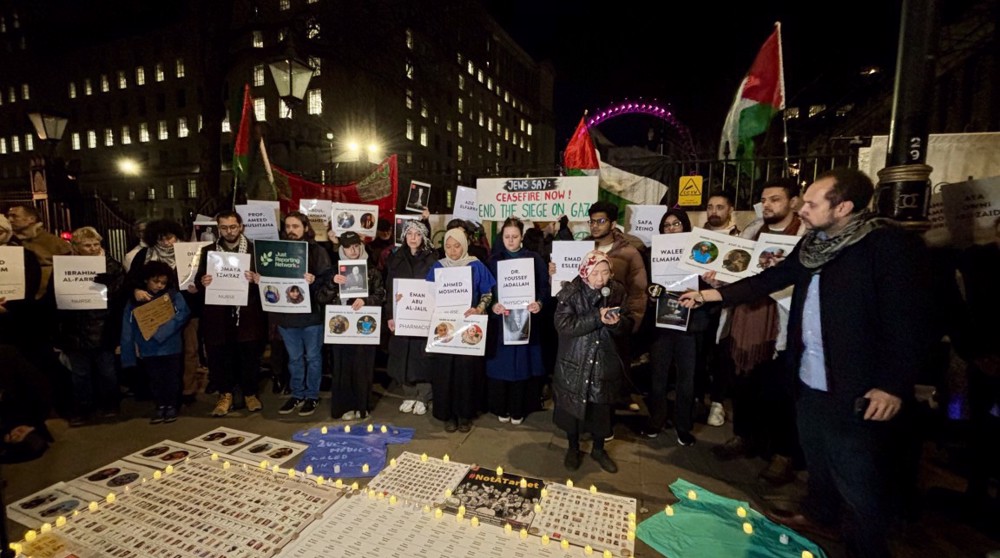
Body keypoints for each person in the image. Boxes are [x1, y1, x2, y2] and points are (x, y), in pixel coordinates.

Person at [679, 168, 934, 557]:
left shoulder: (885, 246)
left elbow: (909, 322)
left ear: (844, 207)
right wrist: (708, 298)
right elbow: (770, 278)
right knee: (817, 457)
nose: (804, 207)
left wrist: (893, 384)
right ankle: (821, 516)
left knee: (858, 475)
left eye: (813, 203)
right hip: (809, 375)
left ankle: (868, 547)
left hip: (858, 384)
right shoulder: (814, 243)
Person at [711, 177, 807, 486]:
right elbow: (733, 276)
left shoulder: (804, 238)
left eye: (775, 199)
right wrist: (717, 281)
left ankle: (782, 454)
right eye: (764, 200)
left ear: (793, 202)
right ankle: (744, 436)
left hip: (780, 324)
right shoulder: (752, 234)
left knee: (780, 391)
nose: (767, 205)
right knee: (744, 383)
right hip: (745, 319)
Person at [553, 250, 632, 474]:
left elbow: (628, 323)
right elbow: (564, 324)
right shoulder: (570, 292)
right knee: (572, 409)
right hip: (575, 359)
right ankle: (573, 447)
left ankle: (599, 449)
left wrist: (617, 323)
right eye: (595, 273)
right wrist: (597, 318)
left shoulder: (617, 291)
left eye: (605, 272)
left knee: (601, 408)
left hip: (603, 360)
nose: (600, 278)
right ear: (585, 272)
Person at [642, 209, 709, 447]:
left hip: (689, 324)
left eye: (676, 224)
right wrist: (650, 295)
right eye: (667, 225)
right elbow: (645, 286)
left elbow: (707, 285)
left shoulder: (697, 253)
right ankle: (656, 420)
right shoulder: (650, 254)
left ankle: (683, 426)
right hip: (662, 323)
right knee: (657, 377)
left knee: (686, 379)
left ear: (685, 227)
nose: (671, 228)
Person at [125, 218, 204, 405]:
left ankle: (188, 389)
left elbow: (203, 277)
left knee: (189, 350)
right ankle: (163, 391)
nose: (167, 243)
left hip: (187, 310)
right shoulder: (144, 255)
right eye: (161, 239)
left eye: (170, 238)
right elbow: (131, 280)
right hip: (155, 311)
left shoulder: (190, 254)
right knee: (160, 352)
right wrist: (136, 290)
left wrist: (198, 288)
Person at [195, 210, 267, 417]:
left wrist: (257, 279)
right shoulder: (209, 252)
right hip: (219, 314)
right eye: (224, 228)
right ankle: (224, 394)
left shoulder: (254, 250)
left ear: (241, 226)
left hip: (248, 313)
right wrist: (203, 281)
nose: (229, 231)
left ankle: (250, 393)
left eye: (233, 227)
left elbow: (268, 282)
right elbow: (200, 279)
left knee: (249, 355)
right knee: (221, 356)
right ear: (219, 229)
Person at [425, 228, 496, 433]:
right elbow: (428, 295)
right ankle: (447, 414)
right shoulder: (438, 266)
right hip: (444, 327)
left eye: (457, 246)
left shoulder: (476, 265)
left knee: (466, 372)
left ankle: (465, 414)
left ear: (464, 245)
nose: (453, 251)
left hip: (467, 326)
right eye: (448, 246)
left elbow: (487, 293)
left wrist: (479, 308)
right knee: (445, 371)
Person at [58, 226, 126, 426]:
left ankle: (110, 404)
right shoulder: (65, 266)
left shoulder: (111, 266)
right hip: (75, 328)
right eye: (87, 245)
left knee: (107, 370)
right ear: (76, 246)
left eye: (96, 244)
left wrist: (110, 286)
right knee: (80, 373)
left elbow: (122, 293)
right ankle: (84, 407)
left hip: (102, 325)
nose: (93, 248)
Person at [270, 211, 333, 417]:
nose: (291, 231)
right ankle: (297, 394)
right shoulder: (277, 252)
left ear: (306, 228)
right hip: (287, 317)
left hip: (311, 316)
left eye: (296, 226)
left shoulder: (318, 252)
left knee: (313, 357)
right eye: (288, 227)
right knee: (294, 359)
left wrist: (314, 281)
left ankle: (312, 396)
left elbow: (328, 282)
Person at [486, 217, 548, 425]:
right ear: (501, 237)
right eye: (507, 237)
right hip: (501, 322)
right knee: (501, 367)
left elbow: (544, 288)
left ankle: (518, 408)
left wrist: (539, 303)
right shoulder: (494, 261)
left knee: (522, 367)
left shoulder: (534, 259)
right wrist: (493, 305)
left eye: (514, 237)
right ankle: (500, 407)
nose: (510, 241)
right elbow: (486, 291)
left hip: (525, 320)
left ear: (521, 237)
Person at [318, 230, 386, 420]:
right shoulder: (334, 270)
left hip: (364, 327)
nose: (353, 250)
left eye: (356, 246)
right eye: (348, 247)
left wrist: (367, 301)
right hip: (340, 328)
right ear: (342, 249)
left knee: (363, 366)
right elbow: (321, 297)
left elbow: (381, 295)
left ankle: (361, 406)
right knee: (342, 366)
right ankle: (344, 406)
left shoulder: (371, 271)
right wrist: (332, 284)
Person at [121, 261, 192, 424]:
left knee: (172, 377)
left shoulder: (173, 296)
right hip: (148, 347)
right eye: (156, 281)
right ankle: (160, 405)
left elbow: (183, 313)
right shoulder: (135, 299)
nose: (159, 286)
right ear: (146, 280)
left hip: (171, 346)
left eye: (163, 282)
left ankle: (172, 404)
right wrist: (128, 351)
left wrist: (161, 332)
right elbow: (127, 325)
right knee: (155, 378)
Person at [385, 220, 438, 416]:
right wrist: (391, 314)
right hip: (402, 315)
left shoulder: (432, 259)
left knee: (422, 356)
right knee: (402, 356)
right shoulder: (396, 258)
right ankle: (408, 393)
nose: (413, 238)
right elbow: (390, 288)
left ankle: (423, 396)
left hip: (423, 317)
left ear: (423, 237)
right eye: (409, 234)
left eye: (417, 234)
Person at [6, 204, 71, 300]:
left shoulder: (55, 244)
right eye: (8, 216)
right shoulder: (8, 242)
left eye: (14, 216)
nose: (10, 220)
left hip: (43, 301)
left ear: (31, 219)